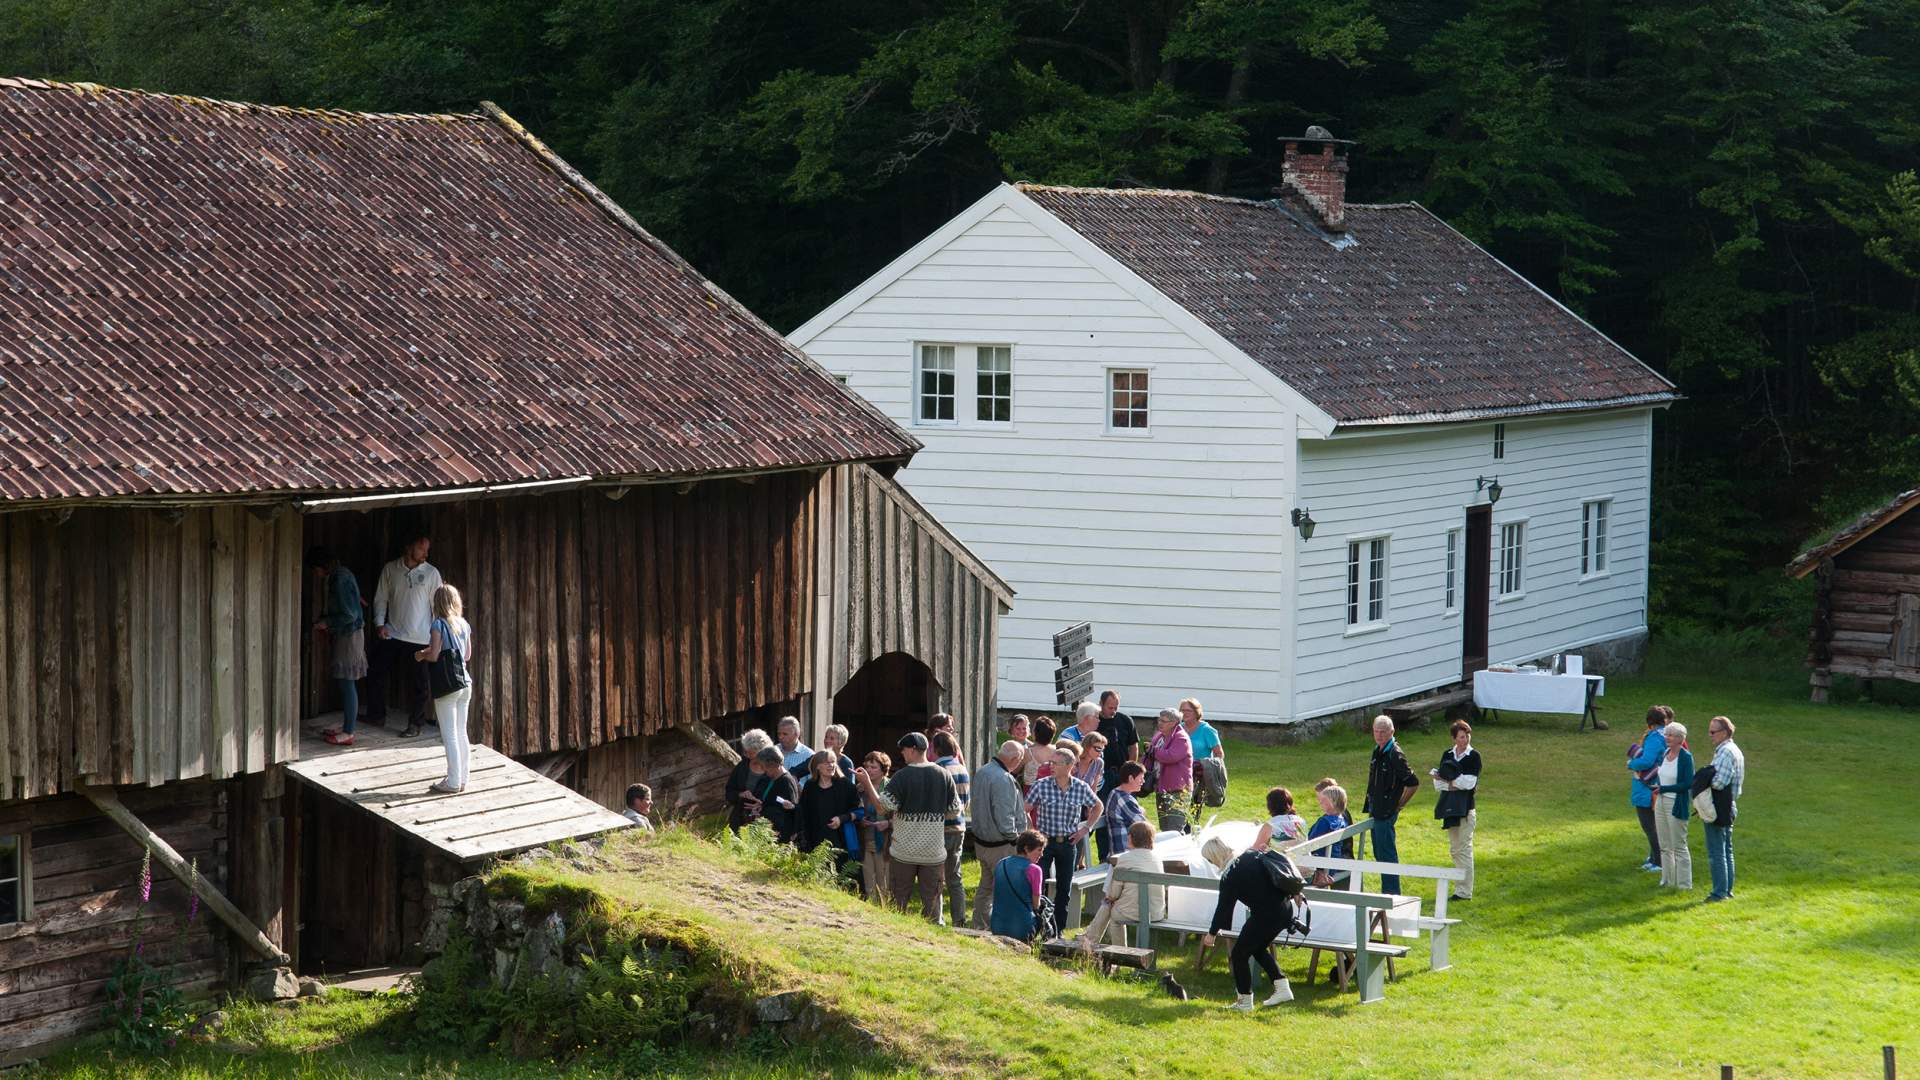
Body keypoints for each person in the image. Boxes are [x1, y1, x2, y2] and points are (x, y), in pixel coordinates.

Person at [856, 733, 959, 923]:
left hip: (904, 852)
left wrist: (867, 784)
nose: (902, 754)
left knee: (898, 906)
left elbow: (881, 807)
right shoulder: (944, 775)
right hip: (933, 852)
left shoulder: (902, 777)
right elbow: (955, 810)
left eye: (903, 750)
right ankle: (935, 945)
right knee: (933, 906)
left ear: (911, 750)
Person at [1200, 844, 1300, 1011]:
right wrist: (1296, 891)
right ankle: (1282, 987)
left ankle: (1245, 1001)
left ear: (1215, 857)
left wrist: (1212, 933)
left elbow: (1223, 908)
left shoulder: (1229, 876)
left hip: (1265, 915)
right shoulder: (1251, 854)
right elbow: (1280, 868)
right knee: (1257, 948)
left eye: (1210, 860)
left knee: (1238, 955)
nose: (1212, 864)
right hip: (1284, 908)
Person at [366, 530, 443, 737]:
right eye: (421, 549)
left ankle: (415, 724)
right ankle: (377, 715)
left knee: (419, 684)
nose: (425, 554)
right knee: (376, 673)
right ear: (408, 547)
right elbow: (381, 598)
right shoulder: (391, 569)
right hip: (392, 633)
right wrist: (379, 623)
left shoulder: (431, 573)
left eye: (427, 549)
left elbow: (437, 607)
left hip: (420, 637)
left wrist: (436, 636)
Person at [1024, 743, 1101, 934]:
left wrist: (1086, 829)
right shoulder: (1041, 785)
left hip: (1068, 843)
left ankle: (1058, 930)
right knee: (1038, 886)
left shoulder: (1081, 787)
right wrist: (1034, 832)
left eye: (1056, 763)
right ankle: (1038, 927)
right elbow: (1025, 809)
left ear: (1070, 766)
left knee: (1064, 889)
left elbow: (1098, 806)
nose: (1051, 766)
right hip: (1045, 844)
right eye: (1051, 762)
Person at [415, 584, 473, 794]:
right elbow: (466, 656)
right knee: (461, 731)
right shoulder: (464, 625)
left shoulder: (438, 624)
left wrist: (421, 654)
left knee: (449, 734)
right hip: (465, 681)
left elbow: (435, 655)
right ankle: (463, 777)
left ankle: (453, 781)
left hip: (447, 685)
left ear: (436, 603)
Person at [307, 547, 367, 747]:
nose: (315, 574)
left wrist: (327, 623)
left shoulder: (338, 580)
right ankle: (347, 725)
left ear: (321, 567)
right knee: (345, 682)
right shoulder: (343, 574)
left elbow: (349, 614)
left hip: (349, 636)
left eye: (314, 569)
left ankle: (349, 732)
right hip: (349, 634)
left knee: (347, 683)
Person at [1079, 820, 1165, 951]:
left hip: (1134, 913)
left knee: (1112, 911)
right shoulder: (1157, 858)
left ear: (1131, 838)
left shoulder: (1125, 859)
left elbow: (1113, 894)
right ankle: (1089, 937)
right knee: (1111, 904)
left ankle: (1119, 953)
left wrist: (1110, 899)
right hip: (1156, 912)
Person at [969, 740, 1028, 930]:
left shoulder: (983, 770)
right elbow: (1005, 815)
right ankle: (1002, 927)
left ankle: (979, 925)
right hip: (1000, 845)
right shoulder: (1002, 778)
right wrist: (1016, 839)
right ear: (1015, 759)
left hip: (982, 842)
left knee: (985, 887)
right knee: (1005, 888)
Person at [1363, 716, 1419, 894]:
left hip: (1386, 813)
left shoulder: (1395, 754)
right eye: (1376, 731)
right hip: (1375, 810)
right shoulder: (1377, 750)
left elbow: (1413, 782)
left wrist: (1399, 805)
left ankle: (1392, 895)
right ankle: (1387, 892)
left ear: (1392, 732)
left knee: (1387, 855)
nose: (1379, 735)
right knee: (1379, 854)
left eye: (1383, 732)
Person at [1432, 719, 1481, 901]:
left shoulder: (1474, 756)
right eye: (1461, 736)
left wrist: (1450, 781)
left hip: (1466, 809)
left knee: (1464, 849)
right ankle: (1459, 888)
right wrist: (1452, 783)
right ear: (1454, 738)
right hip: (1450, 807)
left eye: (1467, 735)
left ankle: (1464, 891)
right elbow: (1438, 784)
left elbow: (1469, 784)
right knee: (1455, 849)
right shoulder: (1447, 754)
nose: (1465, 739)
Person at [798, 751, 861, 879]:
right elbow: (803, 811)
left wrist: (842, 819)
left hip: (840, 840)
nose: (831, 765)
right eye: (827, 762)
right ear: (817, 766)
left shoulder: (846, 785)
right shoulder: (810, 786)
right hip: (814, 839)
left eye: (833, 762)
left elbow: (860, 811)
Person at [1093, 690, 1139, 861]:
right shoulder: (1095, 722)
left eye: (1115, 707)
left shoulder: (1125, 720)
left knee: (1127, 811)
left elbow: (1133, 746)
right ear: (1101, 704)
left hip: (1122, 773)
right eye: (1109, 707)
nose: (1113, 711)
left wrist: (1130, 769)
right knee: (1104, 814)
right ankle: (1104, 856)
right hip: (1103, 774)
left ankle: (1129, 852)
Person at [932, 730, 971, 926]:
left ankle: (937, 917)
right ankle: (959, 918)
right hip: (960, 828)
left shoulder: (938, 770)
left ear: (935, 749)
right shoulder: (961, 768)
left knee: (936, 876)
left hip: (941, 829)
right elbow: (966, 801)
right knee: (955, 876)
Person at [1703, 716, 1744, 902]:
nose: (1710, 735)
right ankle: (1727, 890)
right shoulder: (1732, 750)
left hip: (1720, 807)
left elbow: (1720, 782)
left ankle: (1719, 893)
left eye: (1713, 732)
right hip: (1728, 806)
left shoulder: (1726, 752)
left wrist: (1702, 780)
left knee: (1717, 852)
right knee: (1727, 850)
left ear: (1725, 733)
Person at [1627, 707, 1671, 872]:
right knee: (1655, 824)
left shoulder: (1653, 737)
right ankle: (1654, 858)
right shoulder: (1666, 734)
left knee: (1649, 825)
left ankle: (1658, 862)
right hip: (1658, 783)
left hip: (1646, 786)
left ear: (1649, 722)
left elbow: (1647, 761)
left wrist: (1631, 764)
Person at [1655, 721, 1695, 890]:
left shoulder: (1686, 757)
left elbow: (1687, 783)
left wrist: (1664, 788)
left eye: (1671, 735)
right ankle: (1667, 880)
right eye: (1667, 734)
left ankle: (1684, 884)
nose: (1667, 738)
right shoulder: (1665, 753)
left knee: (1678, 845)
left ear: (1680, 739)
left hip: (1676, 802)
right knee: (1664, 845)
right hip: (1661, 801)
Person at [988, 831, 1048, 941]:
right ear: (1026, 849)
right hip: (1022, 929)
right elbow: (1036, 905)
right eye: (1039, 850)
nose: (1042, 854)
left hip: (997, 926)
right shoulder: (1034, 870)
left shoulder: (1001, 863)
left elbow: (997, 892)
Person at [1148, 709, 1194, 832]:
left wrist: (1153, 750)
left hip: (1178, 791)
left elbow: (1170, 756)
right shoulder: (1159, 736)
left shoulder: (1181, 738)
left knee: (1175, 830)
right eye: (1159, 719)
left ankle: (1181, 851)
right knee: (1165, 829)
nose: (1160, 723)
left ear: (1174, 723)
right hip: (1162, 788)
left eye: (1164, 721)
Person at [857, 751, 893, 902]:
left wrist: (887, 823)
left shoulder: (891, 787)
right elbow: (855, 810)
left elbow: (900, 815)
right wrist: (860, 820)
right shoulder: (860, 788)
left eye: (874, 767)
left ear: (883, 769)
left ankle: (886, 913)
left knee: (884, 881)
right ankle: (871, 911)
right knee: (868, 882)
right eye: (867, 766)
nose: (869, 770)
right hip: (866, 838)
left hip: (885, 841)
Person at [747, 746, 801, 843]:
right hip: (766, 831)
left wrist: (763, 813)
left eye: (764, 767)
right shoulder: (770, 778)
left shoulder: (786, 782)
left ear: (773, 765)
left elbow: (787, 812)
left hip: (779, 836)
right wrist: (761, 806)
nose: (763, 770)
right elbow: (771, 802)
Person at [725, 729, 776, 833]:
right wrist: (740, 794)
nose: (746, 755)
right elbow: (729, 792)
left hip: (765, 824)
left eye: (750, 753)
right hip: (739, 820)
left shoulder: (774, 769)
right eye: (745, 752)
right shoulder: (742, 766)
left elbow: (780, 799)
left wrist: (762, 805)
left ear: (762, 752)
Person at [1306, 784, 1353, 888]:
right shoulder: (1342, 820)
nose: (1320, 803)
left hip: (1322, 866)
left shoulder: (1324, 822)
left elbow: (1310, 844)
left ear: (1332, 803)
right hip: (1333, 863)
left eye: (1323, 800)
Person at [1104, 762, 1149, 857]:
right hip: (1125, 853)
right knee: (1172, 836)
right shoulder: (1125, 799)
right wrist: (1142, 811)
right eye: (1141, 778)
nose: (1143, 781)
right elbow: (1146, 828)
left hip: (1124, 850)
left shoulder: (1116, 792)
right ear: (1130, 778)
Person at [1252, 788, 1306, 853]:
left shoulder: (1271, 825)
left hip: (1279, 862)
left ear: (1270, 806)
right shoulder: (1301, 821)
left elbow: (1255, 849)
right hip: (1301, 861)